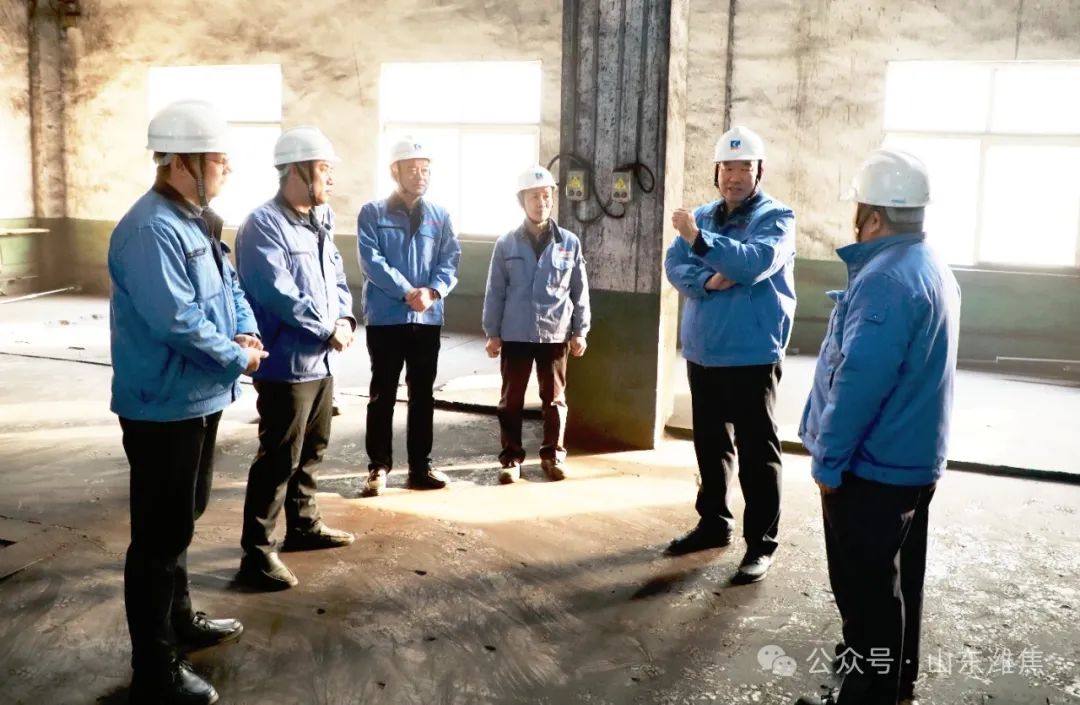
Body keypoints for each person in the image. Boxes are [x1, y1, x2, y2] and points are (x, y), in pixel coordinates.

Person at [108, 98, 266, 705]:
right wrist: (237, 357)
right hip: (162, 404)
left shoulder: (197, 220)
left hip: (197, 396)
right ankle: (155, 667)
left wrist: (245, 333)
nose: (227, 169)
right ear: (182, 164)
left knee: (183, 517)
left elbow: (231, 289)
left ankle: (179, 620)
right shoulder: (151, 229)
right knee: (157, 537)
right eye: (218, 160)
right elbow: (175, 320)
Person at [793, 149, 960, 705]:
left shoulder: (885, 279)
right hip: (912, 461)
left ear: (873, 216)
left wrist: (828, 462)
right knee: (898, 581)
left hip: (873, 469)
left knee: (866, 595)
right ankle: (895, 680)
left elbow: (860, 381)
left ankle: (869, 695)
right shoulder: (928, 263)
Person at [663, 125, 796, 584]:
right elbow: (674, 265)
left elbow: (753, 262)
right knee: (710, 445)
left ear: (759, 172)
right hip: (704, 351)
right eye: (727, 168)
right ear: (716, 172)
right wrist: (707, 279)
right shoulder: (702, 215)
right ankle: (713, 523)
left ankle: (761, 543)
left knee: (757, 452)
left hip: (752, 353)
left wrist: (701, 243)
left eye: (744, 168)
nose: (735, 177)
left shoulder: (777, 218)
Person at [234, 126, 357, 591]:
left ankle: (303, 525)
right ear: (296, 172)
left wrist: (345, 318)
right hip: (286, 365)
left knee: (313, 448)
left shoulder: (320, 220)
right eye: (324, 169)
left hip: (323, 361)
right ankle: (257, 553)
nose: (331, 179)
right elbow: (276, 292)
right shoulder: (263, 224)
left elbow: (338, 278)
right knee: (279, 458)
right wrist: (326, 329)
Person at [356, 137, 461, 496]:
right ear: (394, 172)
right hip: (386, 318)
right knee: (382, 393)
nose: (420, 175)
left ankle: (420, 466)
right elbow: (371, 261)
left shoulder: (440, 216)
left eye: (425, 169)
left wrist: (432, 292)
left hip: (427, 318)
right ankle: (378, 466)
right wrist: (406, 291)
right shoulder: (372, 213)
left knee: (423, 395)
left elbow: (450, 259)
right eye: (412, 169)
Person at [482, 166, 591, 483]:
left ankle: (553, 455)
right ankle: (510, 458)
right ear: (522, 201)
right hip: (515, 334)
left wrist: (580, 331)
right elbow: (495, 291)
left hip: (554, 332)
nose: (541, 202)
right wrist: (492, 333)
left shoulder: (569, 242)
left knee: (554, 401)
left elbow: (579, 290)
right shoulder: (506, 244)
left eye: (546, 196)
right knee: (510, 401)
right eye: (534, 197)